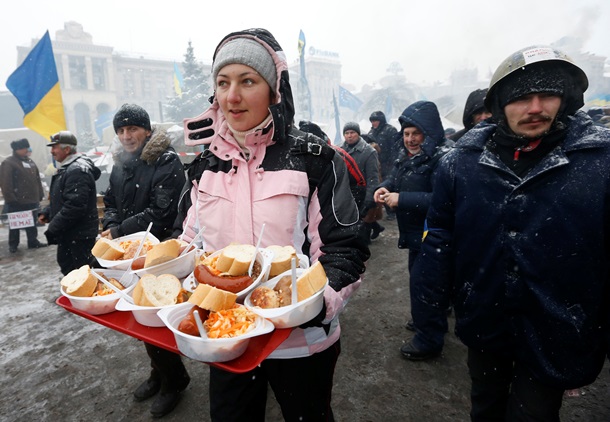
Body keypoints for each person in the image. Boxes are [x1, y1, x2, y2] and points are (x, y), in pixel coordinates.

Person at [177, 28, 369, 421]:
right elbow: (190, 242)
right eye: (223, 82)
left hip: (300, 342)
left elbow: (344, 251)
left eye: (248, 81)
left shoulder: (315, 159)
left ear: (274, 90)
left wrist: (311, 308)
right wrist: (155, 271)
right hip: (227, 335)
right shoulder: (204, 166)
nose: (232, 96)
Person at [410, 45, 610, 420]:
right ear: (501, 103)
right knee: (484, 407)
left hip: (556, 326)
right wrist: (429, 307)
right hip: (486, 319)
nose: (535, 107)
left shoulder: (599, 162)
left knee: (533, 414)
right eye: (520, 97)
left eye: (546, 94)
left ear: (565, 99)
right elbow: (439, 235)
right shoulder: (460, 164)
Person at [101, 103, 189, 418]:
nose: (126, 136)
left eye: (133, 129)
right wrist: (111, 225)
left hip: (160, 254)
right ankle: (160, 371)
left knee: (156, 317)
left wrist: (119, 231)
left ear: (147, 131)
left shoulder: (165, 162)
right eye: (121, 130)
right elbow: (109, 200)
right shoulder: (120, 164)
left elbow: (161, 211)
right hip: (129, 255)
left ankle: (174, 381)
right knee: (142, 316)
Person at [372, 100, 452, 360]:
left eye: (416, 133)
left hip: (435, 234)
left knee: (426, 285)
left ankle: (428, 341)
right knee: (422, 284)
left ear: (429, 133)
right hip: (416, 234)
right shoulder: (407, 157)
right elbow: (394, 179)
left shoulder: (443, 158)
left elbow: (443, 200)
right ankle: (426, 321)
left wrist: (402, 199)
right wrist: (384, 187)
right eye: (406, 134)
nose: (410, 139)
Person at [37, 132, 99, 274]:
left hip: (78, 235)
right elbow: (62, 198)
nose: (52, 151)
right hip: (70, 233)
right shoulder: (68, 168)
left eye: (55, 147)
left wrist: (53, 227)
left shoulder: (76, 170)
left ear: (66, 149)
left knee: (81, 274)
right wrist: (47, 212)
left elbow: (75, 206)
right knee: (70, 270)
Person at [0, 138, 47, 253]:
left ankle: (33, 241)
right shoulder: (9, 163)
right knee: (15, 224)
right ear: (18, 149)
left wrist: (40, 194)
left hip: (31, 200)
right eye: (25, 148)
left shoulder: (29, 161)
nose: (27, 150)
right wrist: (11, 199)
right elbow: (6, 183)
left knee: (31, 222)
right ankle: (13, 245)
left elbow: (37, 180)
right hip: (17, 201)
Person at [340, 122, 383, 244]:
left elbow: (373, 178)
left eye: (352, 132)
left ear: (358, 134)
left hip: (362, 195)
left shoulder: (369, 152)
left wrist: (369, 200)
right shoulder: (340, 150)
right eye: (346, 133)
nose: (349, 136)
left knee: (362, 236)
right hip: (346, 196)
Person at [368, 111, 399, 221]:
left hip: (389, 163)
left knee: (388, 186)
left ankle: (392, 210)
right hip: (377, 163)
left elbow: (395, 147)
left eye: (375, 120)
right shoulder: (372, 132)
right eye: (372, 121)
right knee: (380, 186)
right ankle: (388, 209)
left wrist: (394, 161)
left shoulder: (390, 130)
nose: (373, 123)